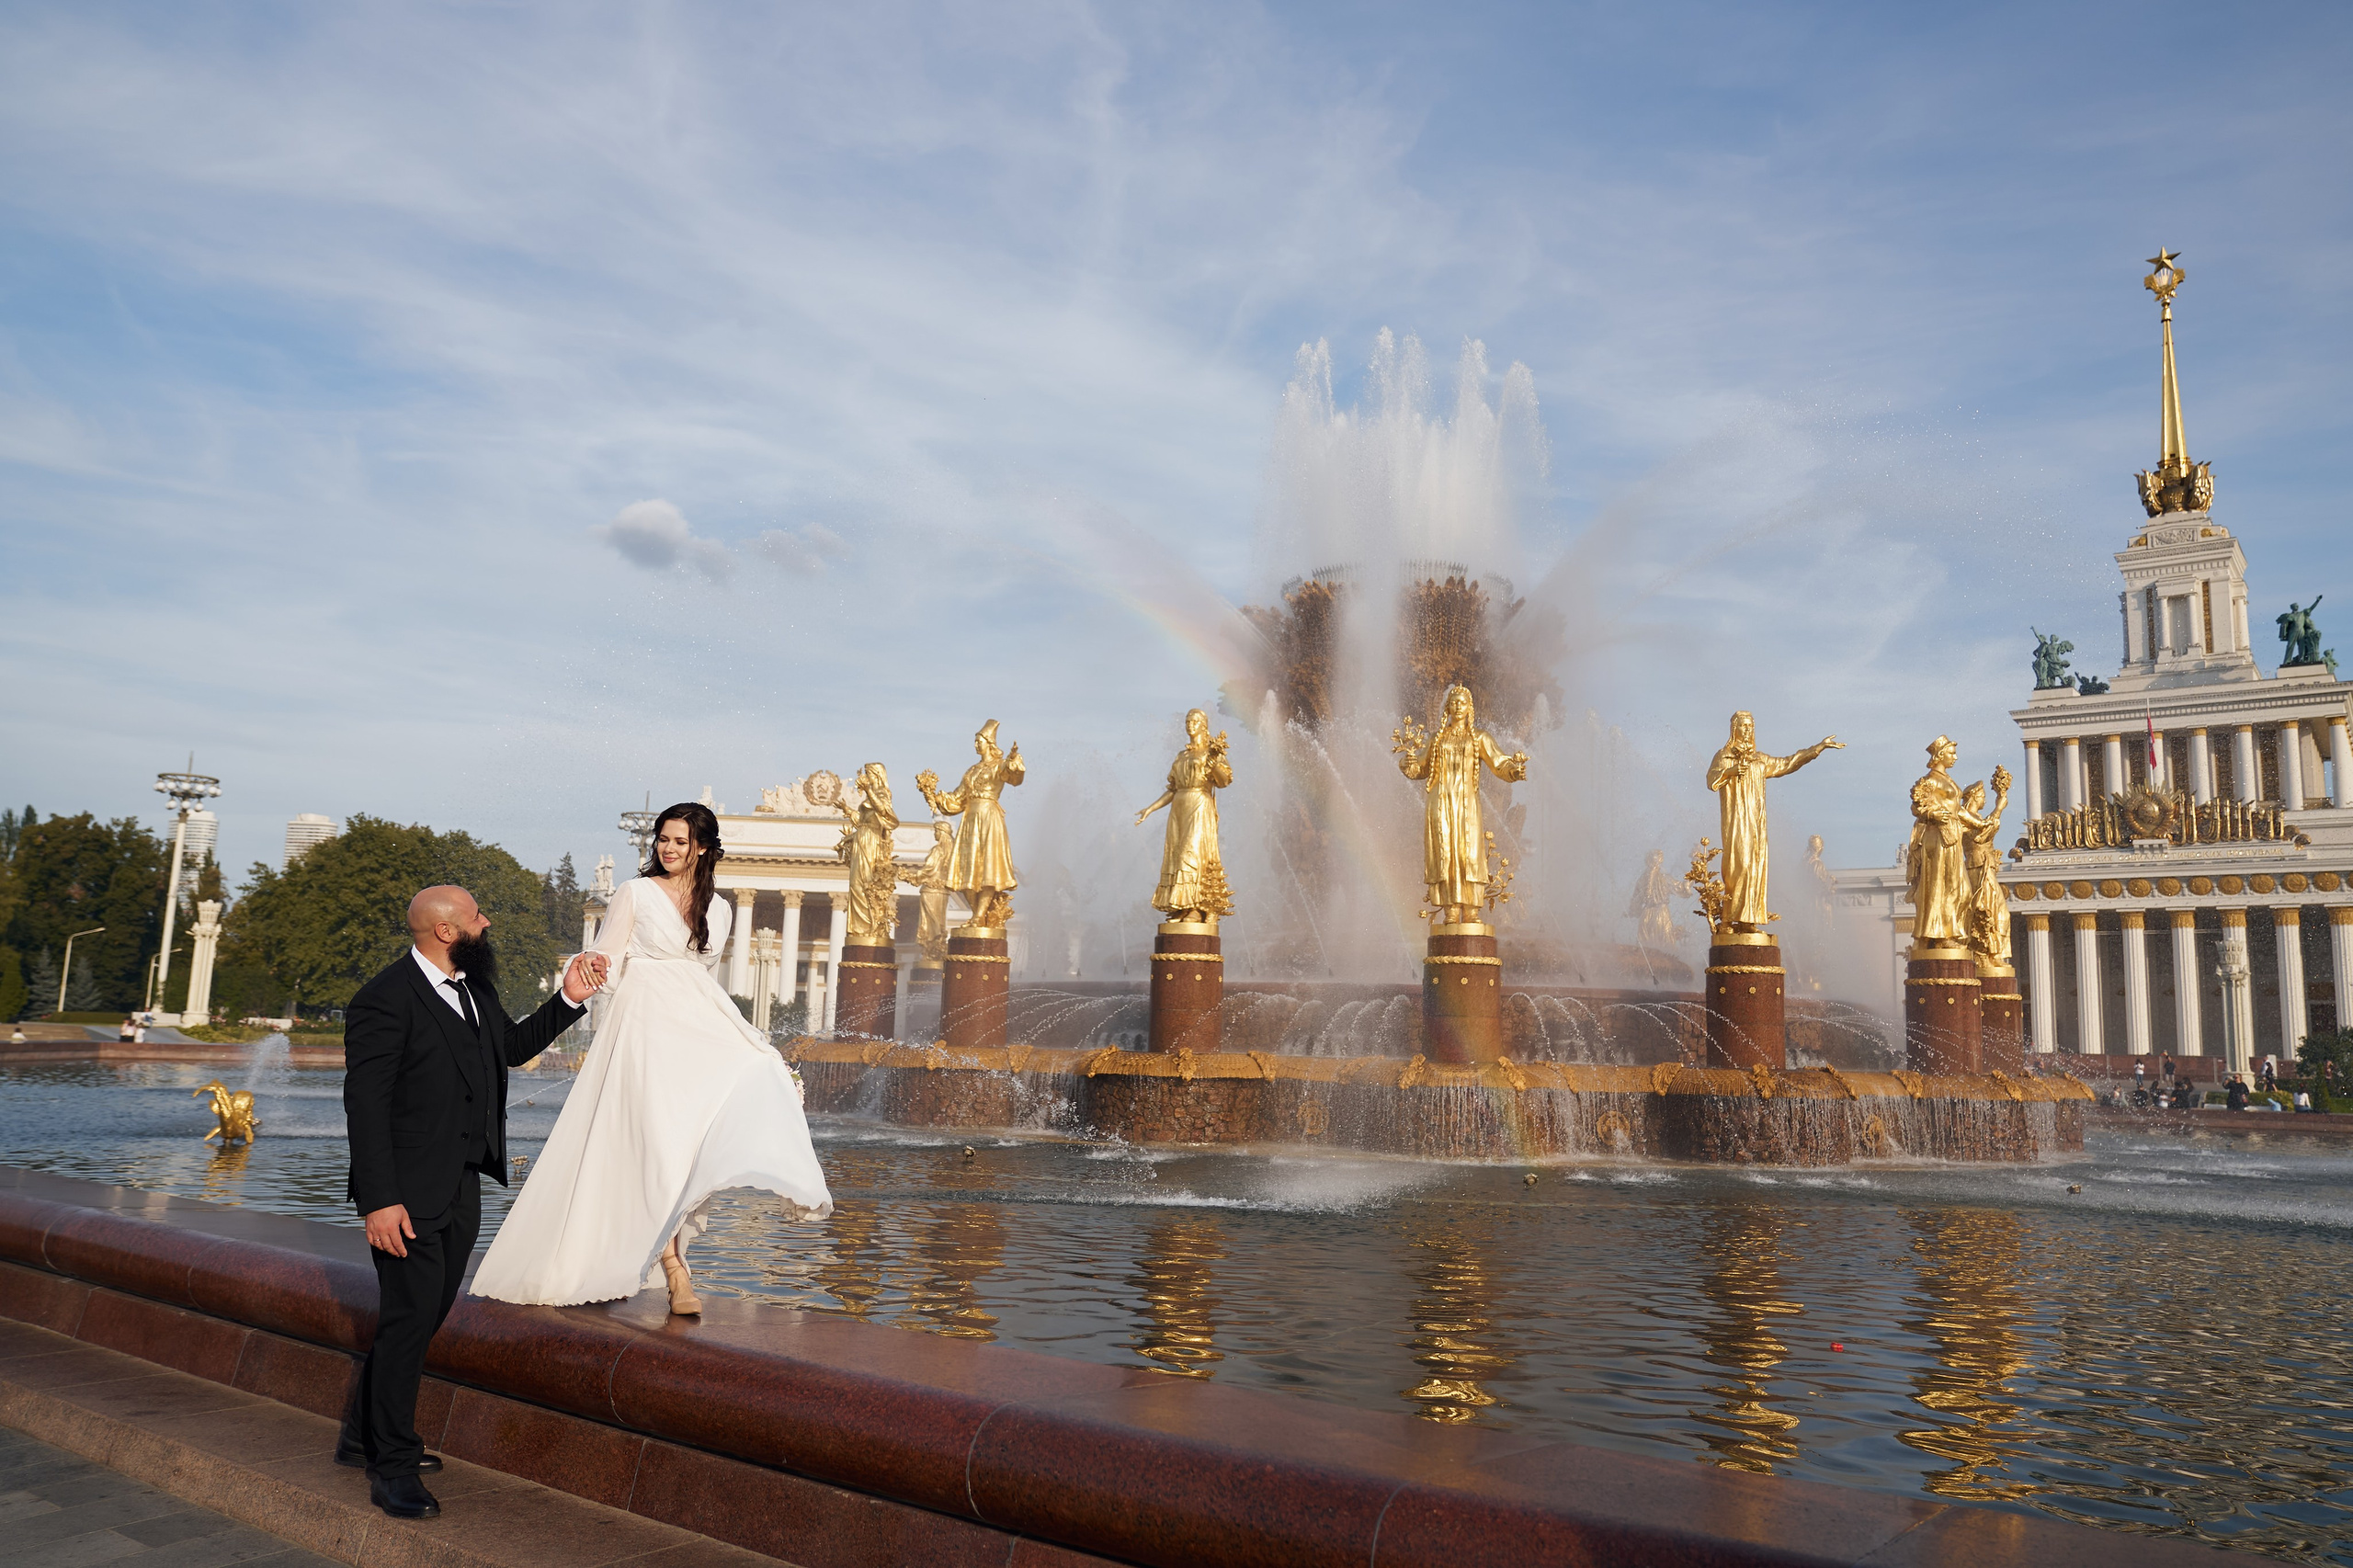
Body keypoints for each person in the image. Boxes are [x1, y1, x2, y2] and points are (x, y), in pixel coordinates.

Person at [471, 802, 831, 1317]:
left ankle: (780, 1187)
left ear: (702, 847)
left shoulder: (722, 909)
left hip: (698, 1024)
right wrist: (592, 967)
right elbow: (608, 956)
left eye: (680, 841)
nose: (667, 848)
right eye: (662, 839)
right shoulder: (634, 893)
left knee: (757, 1077)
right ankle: (675, 1271)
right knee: (655, 1145)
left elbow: (700, 974)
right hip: (641, 1028)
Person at [338, 885, 603, 1519]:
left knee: (423, 1317)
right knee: (407, 1323)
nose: (489, 922)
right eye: (479, 916)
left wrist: (569, 997)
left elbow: (509, 1051)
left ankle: (359, 1435)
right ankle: (392, 1466)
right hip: (404, 1193)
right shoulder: (383, 999)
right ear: (447, 931)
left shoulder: (471, 988)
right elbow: (365, 1106)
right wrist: (379, 1202)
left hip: (459, 1184)